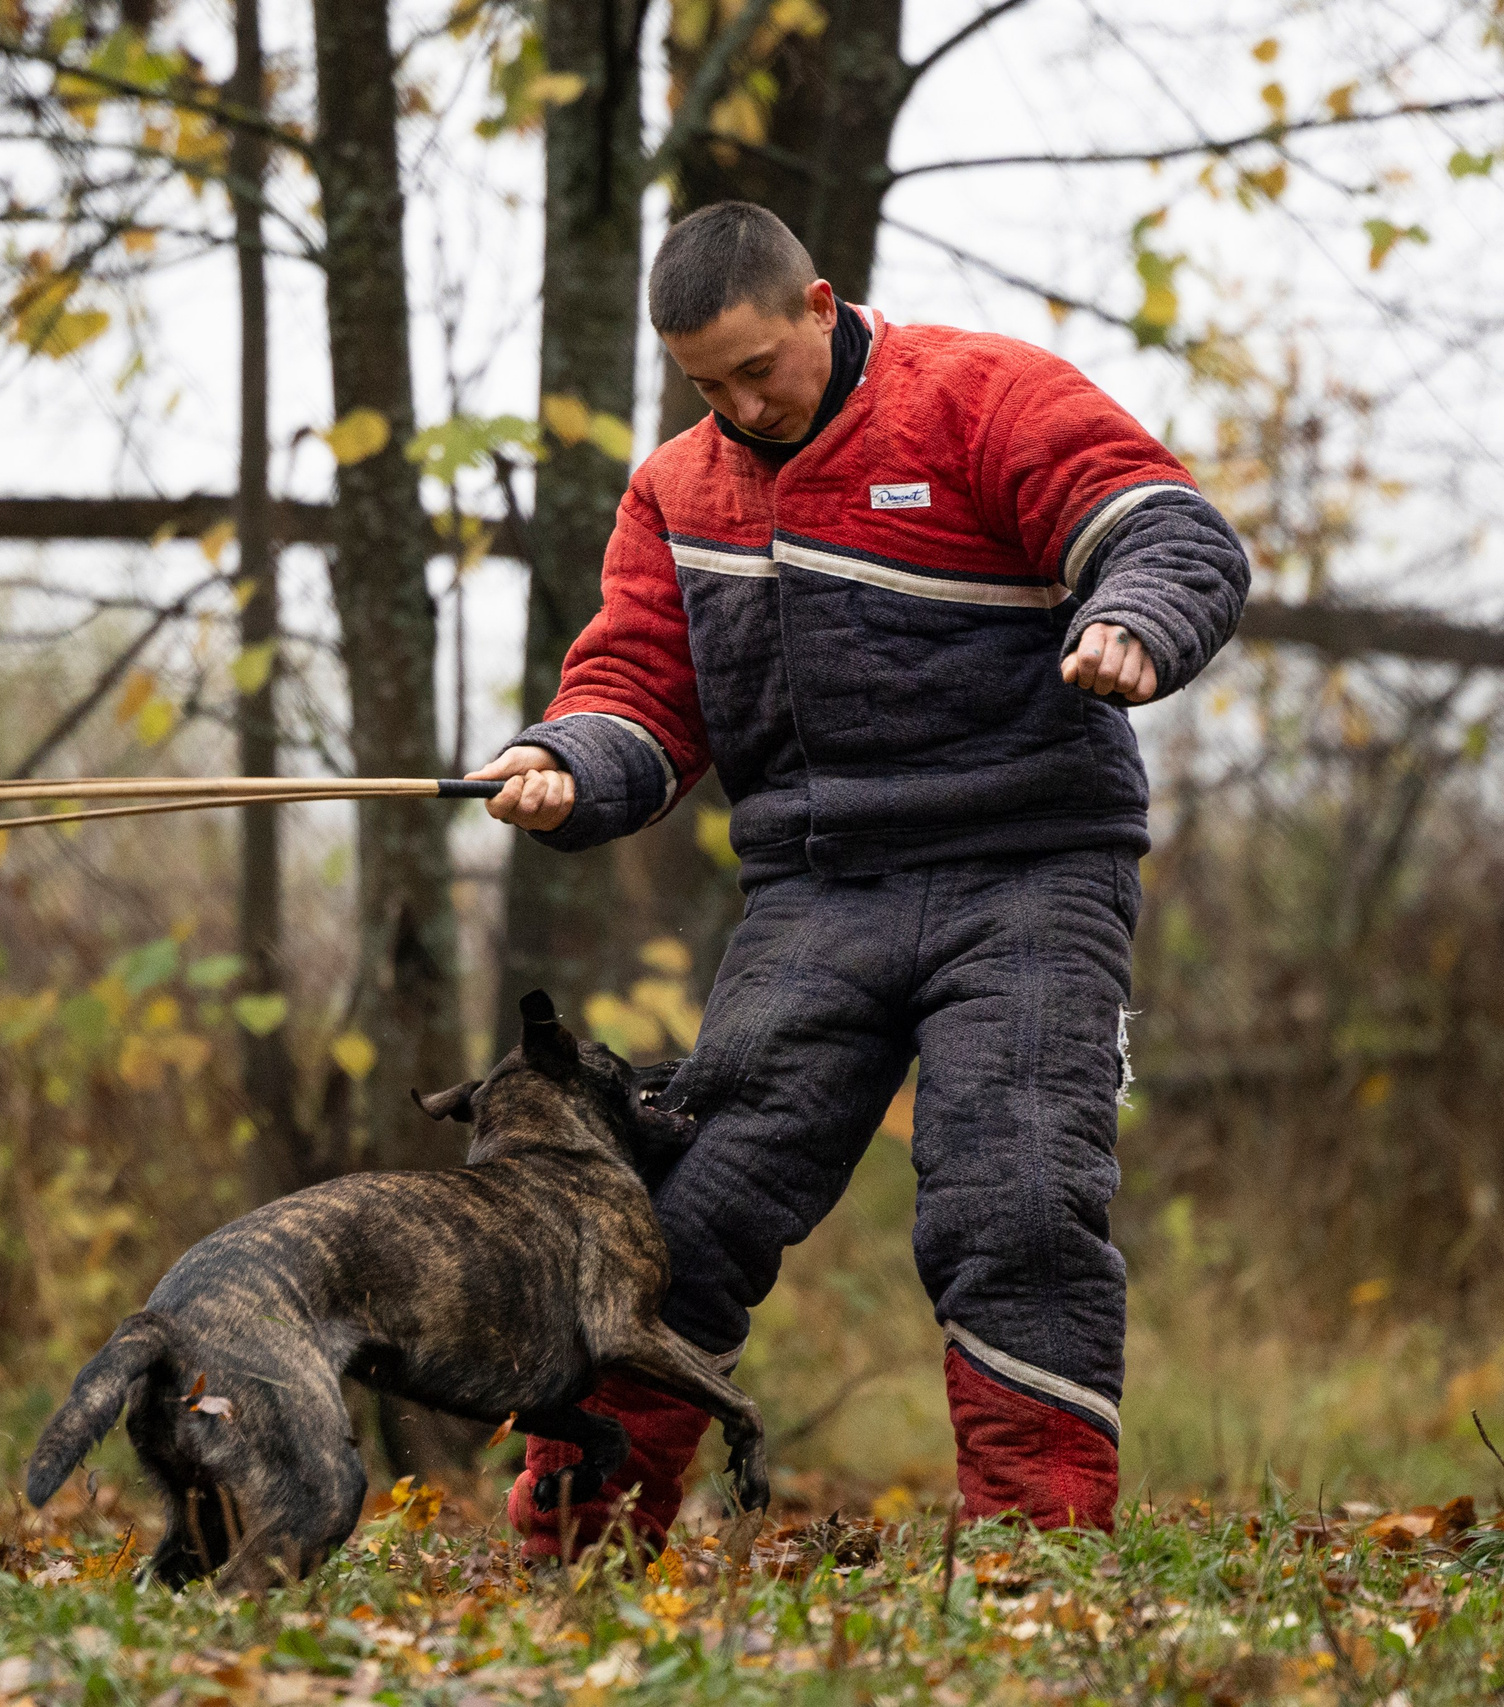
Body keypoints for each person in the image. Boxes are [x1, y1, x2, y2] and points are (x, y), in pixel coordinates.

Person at [468, 201, 1250, 1548]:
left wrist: (1133, 622)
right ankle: (572, 1547)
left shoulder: (978, 398)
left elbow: (1173, 535)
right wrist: (565, 763)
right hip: (820, 891)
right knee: (686, 1206)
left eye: (756, 370)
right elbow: (638, 687)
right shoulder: (677, 492)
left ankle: (1036, 1554)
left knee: (1015, 1197)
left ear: (819, 306)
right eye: (706, 386)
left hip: (1031, 869)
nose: (739, 408)